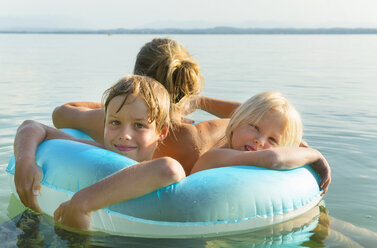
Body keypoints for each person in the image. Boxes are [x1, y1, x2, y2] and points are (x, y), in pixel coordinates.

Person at [14, 75, 186, 216]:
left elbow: (169, 169)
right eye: (115, 122)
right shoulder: (95, 152)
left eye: (139, 125)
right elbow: (31, 126)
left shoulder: (158, 169)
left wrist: (83, 202)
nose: (125, 135)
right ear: (104, 123)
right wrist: (25, 161)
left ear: (162, 132)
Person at [191, 91, 331, 195]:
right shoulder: (214, 157)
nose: (260, 141)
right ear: (236, 122)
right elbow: (272, 158)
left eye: (272, 139)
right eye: (255, 128)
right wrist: (315, 154)